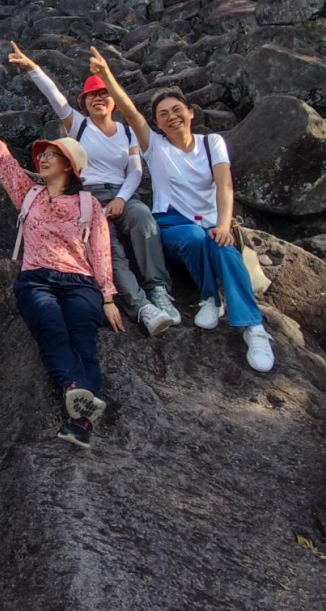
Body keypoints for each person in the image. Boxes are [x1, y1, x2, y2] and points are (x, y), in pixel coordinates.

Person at [87, 47, 275, 373]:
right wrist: (106, 77)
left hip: (211, 222)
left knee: (223, 246)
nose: (171, 116)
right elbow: (130, 112)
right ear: (158, 123)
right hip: (173, 223)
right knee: (192, 236)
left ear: (190, 112)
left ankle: (253, 327)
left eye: (177, 110)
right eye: (163, 114)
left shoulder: (212, 143)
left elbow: (225, 186)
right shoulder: (155, 146)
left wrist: (225, 225)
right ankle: (210, 296)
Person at [0, 98, 123, 450]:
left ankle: (79, 422)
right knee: (51, 330)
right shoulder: (29, 194)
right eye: (42, 155)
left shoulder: (89, 204)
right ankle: (75, 391)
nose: (43, 159)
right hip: (37, 280)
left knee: (83, 342)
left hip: (81, 282)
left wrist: (108, 297)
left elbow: (101, 251)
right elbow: (4, 159)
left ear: (69, 165)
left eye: (52, 155)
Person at [8, 41, 179, 337]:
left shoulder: (127, 132)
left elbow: (136, 170)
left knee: (144, 220)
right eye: (91, 95)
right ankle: (141, 307)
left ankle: (159, 289)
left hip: (122, 193)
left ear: (114, 101)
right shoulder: (80, 126)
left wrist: (121, 198)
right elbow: (55, 97)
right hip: (88, 197)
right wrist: (32, 68)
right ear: (84, 102)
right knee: (109, 248)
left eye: (104, 93)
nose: (98, 98)